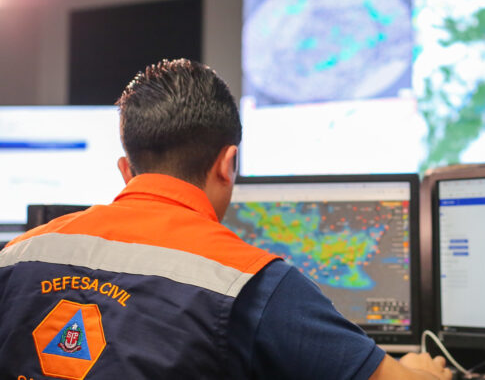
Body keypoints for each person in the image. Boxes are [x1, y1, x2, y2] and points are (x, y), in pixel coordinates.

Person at [0, 59, 452, 380]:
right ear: (228, 164)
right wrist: (422, 369)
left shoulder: (17, 255)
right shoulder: (253, 283)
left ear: (126, 169)